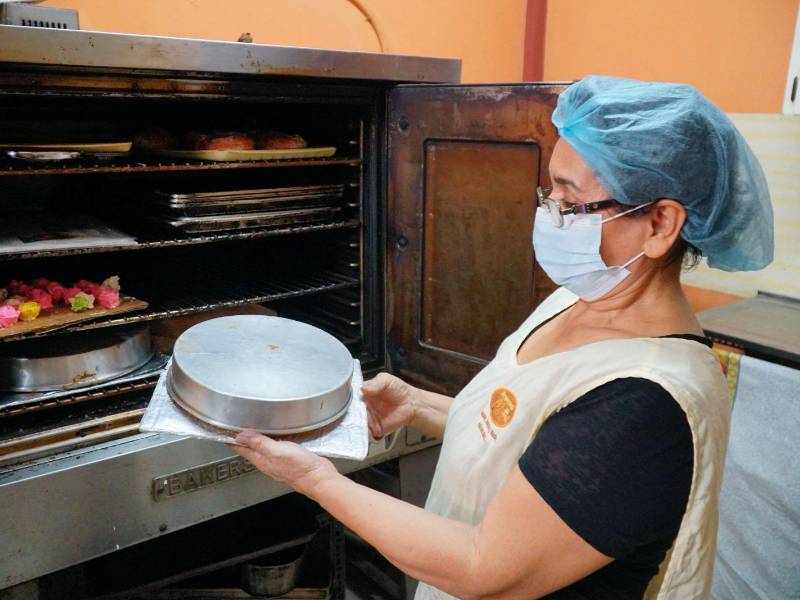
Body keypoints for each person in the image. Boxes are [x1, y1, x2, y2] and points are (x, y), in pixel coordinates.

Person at [231, 76, 773, 599]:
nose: (548, 214)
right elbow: (531, 432)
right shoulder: (581, 298)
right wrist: (419, 404)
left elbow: (482, 568)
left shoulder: (645, 404)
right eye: (548, 190)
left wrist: (318, 481)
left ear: (659, 225)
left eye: (570, 200)